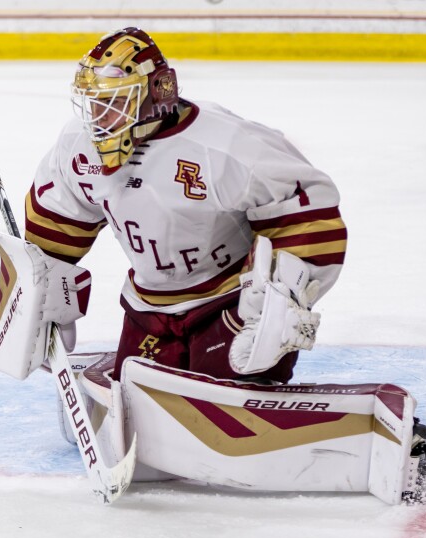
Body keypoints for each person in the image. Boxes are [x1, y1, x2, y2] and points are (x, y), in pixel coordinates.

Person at [22, 27, 347, 385]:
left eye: (114, 104)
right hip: (148, 310)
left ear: (156, 94)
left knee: (232, 394)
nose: (100, 120)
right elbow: (58, 217)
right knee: (139, 397)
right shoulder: (78, 147)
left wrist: (281, 303)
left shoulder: (224, 144)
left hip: (229, 303)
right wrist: (44, 285)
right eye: (95, 104)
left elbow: (306, 210)